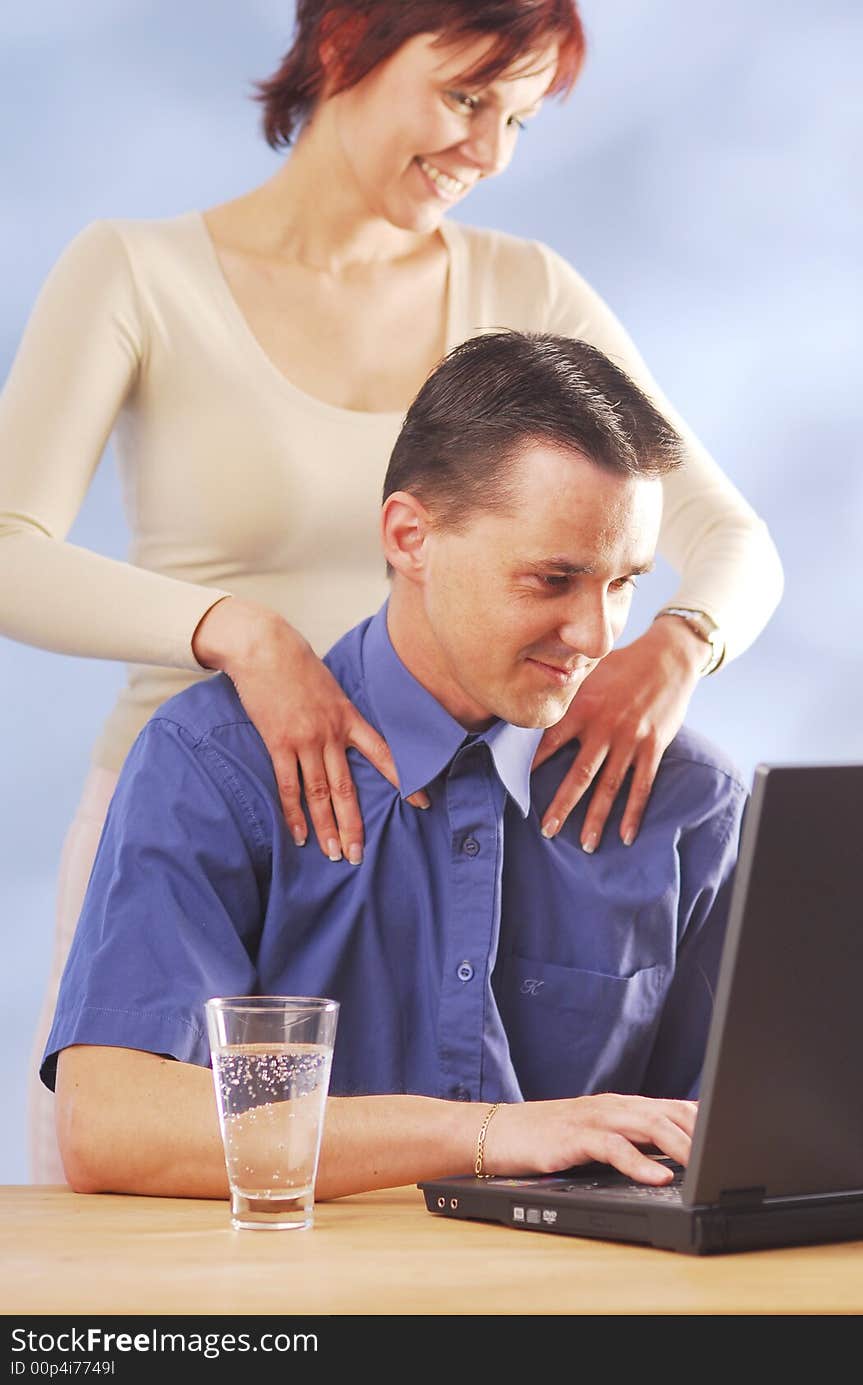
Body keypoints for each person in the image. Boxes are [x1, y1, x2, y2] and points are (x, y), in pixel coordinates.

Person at [0, 0, 781, 1182]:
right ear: (342, 46)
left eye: (517, 117)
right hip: (247, 822)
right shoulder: (141, 272)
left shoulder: (525, 288)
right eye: (468, 97)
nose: (490, 149)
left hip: (492, 783)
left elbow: (713, 524)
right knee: (200, 1207)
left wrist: (680, 638)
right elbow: (10, 547)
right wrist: (237, 634)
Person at [42, 331, 748, 1199]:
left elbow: (739, 1153)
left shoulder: (692, 804)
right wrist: (491, 1134)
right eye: (553, 579)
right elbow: (113, 1127)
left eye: (626, 581)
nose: (600, 638)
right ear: (411, 537)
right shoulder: (216, 766)